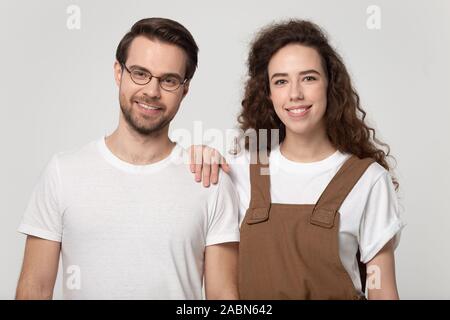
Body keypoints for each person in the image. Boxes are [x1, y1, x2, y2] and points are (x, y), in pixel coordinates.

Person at [16, 17, 240, 300]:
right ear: (118, 72)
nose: (151, 91)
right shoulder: (63, 172)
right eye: (140, 73)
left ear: (185, 89)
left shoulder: (209, 181)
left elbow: (223, 298)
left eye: (168, 80)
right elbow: (33, 289)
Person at [189, 19, 406, 299]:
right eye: (281, 81)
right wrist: (195, 158)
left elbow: (380, 289)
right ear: (267, 92)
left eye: (309, 78)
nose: (295, 94)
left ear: (330, 84)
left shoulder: (369, 180)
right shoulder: (239, 171)